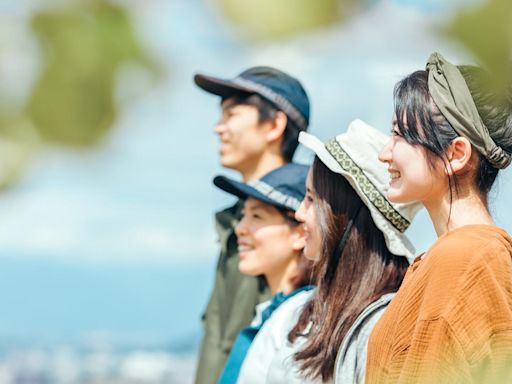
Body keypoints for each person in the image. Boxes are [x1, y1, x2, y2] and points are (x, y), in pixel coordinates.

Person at [237, 119, 422, 383]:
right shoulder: (296, 312)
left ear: (343, 216)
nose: (300, 213)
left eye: (311, 199)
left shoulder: (391, 325)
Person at [366, 52, 512, 384]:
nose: (385, 153)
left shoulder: (465, 259)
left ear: (456, 154)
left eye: (400, 135)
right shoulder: (454, 257)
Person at [193, 66, 310, 384]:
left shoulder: (304, 230)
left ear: (274, 124)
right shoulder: (236, 225)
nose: (219, 128)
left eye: (232, 114)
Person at [213, 163, 314, 383]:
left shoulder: (304, 321)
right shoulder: (271, 313)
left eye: (257, 216)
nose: (240, 228)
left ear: (300, 233)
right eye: (243, 215)